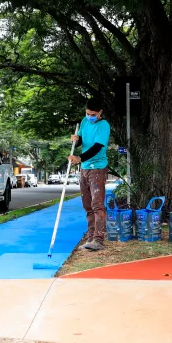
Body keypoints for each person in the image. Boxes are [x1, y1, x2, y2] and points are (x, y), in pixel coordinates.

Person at [68, 97, 111, 251]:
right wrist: (76, 139)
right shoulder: (85, 122)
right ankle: (91, 237)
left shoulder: (104, 125)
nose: (90, 117)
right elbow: (81, 141)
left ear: (100, 112)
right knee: (87, 204)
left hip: (97, 168)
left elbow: (97, 147)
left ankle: (99, 240)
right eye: (88, 113)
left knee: (97, 204)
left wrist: (79, 158)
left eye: (93, 114)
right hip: (85, 168)